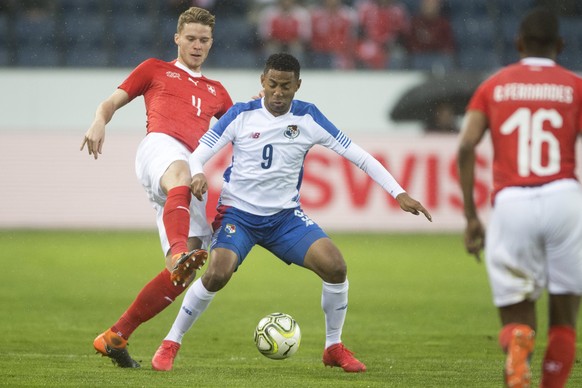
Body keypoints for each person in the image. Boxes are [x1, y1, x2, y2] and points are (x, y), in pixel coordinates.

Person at [150, 52, 432, 372]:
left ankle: (333, 346)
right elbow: (198, 154)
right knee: (216, 274)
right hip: (238, 215)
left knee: (336, 267)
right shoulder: (241, 115)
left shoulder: (309, 118)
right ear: (262, 82)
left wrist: (399, 192)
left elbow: (359, 156)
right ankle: (171, 342)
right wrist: (198, 172)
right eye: (272, 84)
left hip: (284, 218)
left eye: (286, 86)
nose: (278, 92)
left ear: (298, 85)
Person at [80, 7, 233, 368]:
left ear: (212, 43)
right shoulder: (154, 69)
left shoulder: (217, 91)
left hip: (186, 176)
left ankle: (116, 336)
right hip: (160, 148)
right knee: (181, 174)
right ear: (177, 38)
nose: (197, 45)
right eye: (191, 38)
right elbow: (111, 101)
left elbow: (242, 127)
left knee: (181, 276)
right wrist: (98, 121)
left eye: (204, 40)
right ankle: (181, 249)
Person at [457, 7, 582, 388]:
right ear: (561, 45)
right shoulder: (575, 86)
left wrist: (471, 217)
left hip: (512, 201)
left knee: (516, 316)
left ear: (518, 43)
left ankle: (517, 340)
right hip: (563, 196)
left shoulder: (495, 85)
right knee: (563, 318)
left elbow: (466, 147)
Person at [405, 0, 455, 73]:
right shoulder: (415, 22)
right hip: (420, 56)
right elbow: (411, 44)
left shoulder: (444, 24)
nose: (430, 8)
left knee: (445, 61)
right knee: (416, 61)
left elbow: (448, 46)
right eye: (427, 5)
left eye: (432, 5)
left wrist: (431, 43)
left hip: (438, 56)